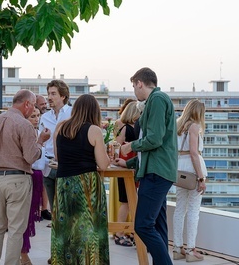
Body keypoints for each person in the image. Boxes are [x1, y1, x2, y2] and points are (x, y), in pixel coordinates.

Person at [116, 67, 178, 264]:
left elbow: (154, 139)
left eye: (134, 86)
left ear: (140, 83)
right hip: (156, 170)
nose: (134, 91)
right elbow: (152, 146)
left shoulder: (157, 100)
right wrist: (129, 162)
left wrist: (130, 146)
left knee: (142, 225)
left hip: (156, 173)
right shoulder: (155, 100)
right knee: (158, 226)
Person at [0, 89, 50, 265]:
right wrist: (41, 142)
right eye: (33, 104)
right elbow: (30, 156)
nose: (34, 108)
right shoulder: (24, 124)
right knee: (15, 229)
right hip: (18, 179)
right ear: (26, 104)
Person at [51, 94, 110, 264]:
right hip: (86, 184)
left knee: (66, 229)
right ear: (94, 111)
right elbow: (103, 164)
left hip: (63, 184)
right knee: (89, 230)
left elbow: (57, 156)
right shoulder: (94, 130)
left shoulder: (60, 127)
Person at [39, 79, 72, 264]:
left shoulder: (72, 114)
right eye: (48, 93)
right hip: (48, 167)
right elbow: (41, 140)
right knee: (55, 213)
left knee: (65, 213)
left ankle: (67, 253)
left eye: (53, 94)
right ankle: (56, 254)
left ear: (63, 96)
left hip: (66, 167)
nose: (49, 97)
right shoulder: (45, 117)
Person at [172, 99, 207, 262]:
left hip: (180, 168)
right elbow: (194, 153)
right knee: (193, 210)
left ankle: (177, 248)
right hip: (193, 169)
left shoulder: (178, 126)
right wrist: (201, 177)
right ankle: (191, 250)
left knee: (180, 208)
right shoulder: (194, 127)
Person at [20, 106, 46, 265]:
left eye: (38, 116)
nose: (37, 119)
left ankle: (23, 252)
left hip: (38, 177)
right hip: (28, 176)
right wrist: (40, 142)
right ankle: (22, 253)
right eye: (32, 116)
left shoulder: (37, 133)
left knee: (28, 218)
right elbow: (31, 158)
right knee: (23, 218)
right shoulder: (27, 134)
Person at [113, 100, 140, 247]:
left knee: (133, 201)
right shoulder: (121, 124)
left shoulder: (136, 126)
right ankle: (119, 233)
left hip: (135, 165)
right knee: (126, 201)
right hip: (124, 165)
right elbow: (117, 144)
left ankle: (132, 232)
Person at [35, 94, 51, 221]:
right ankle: (36, 210)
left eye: (45, 103)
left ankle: (44, 209)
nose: (45, 106)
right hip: (35, 158)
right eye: (42, 104)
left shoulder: (47, 117)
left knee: (44, 184)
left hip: (46, 155)